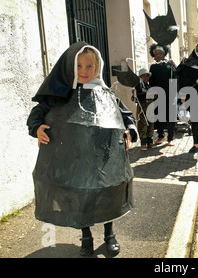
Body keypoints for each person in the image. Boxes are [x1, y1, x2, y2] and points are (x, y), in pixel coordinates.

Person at [27, 42, 137, 256]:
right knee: (81, 198)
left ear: (97, 68)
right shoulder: (61, 93)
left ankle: (109, 234)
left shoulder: (105, 94)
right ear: (69, 67)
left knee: (107, 195)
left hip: (104, 158)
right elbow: (38, 112)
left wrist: (130, 131)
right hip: (76, 159)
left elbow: (126, 116)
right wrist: (37, 127)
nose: (84, 71)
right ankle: (86, 236)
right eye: (79, 66)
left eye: (89, 66)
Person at [149, 44, 177, 146]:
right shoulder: (153, 66)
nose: (158, 55)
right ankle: (161, 136)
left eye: (160, 53)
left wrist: (174, 66)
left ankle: (170, 138)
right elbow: (151, 81)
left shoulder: (169, 64)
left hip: (170, 94)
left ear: (164, 53)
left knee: (171, 117)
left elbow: (176, 75)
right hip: (158, 95)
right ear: (153, 54)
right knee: (160, 117)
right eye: (156, 53)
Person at [134, 68, 155, 150]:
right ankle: (143, 143)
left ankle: (150, 141)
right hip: (143, 106)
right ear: (140, 77)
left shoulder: (148, 85)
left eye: (147, 76)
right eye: (144, 76)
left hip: (150, 106)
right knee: (143, 124)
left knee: (150, 124)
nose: (146, 78)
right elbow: (138, 94)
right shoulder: (138, 85)